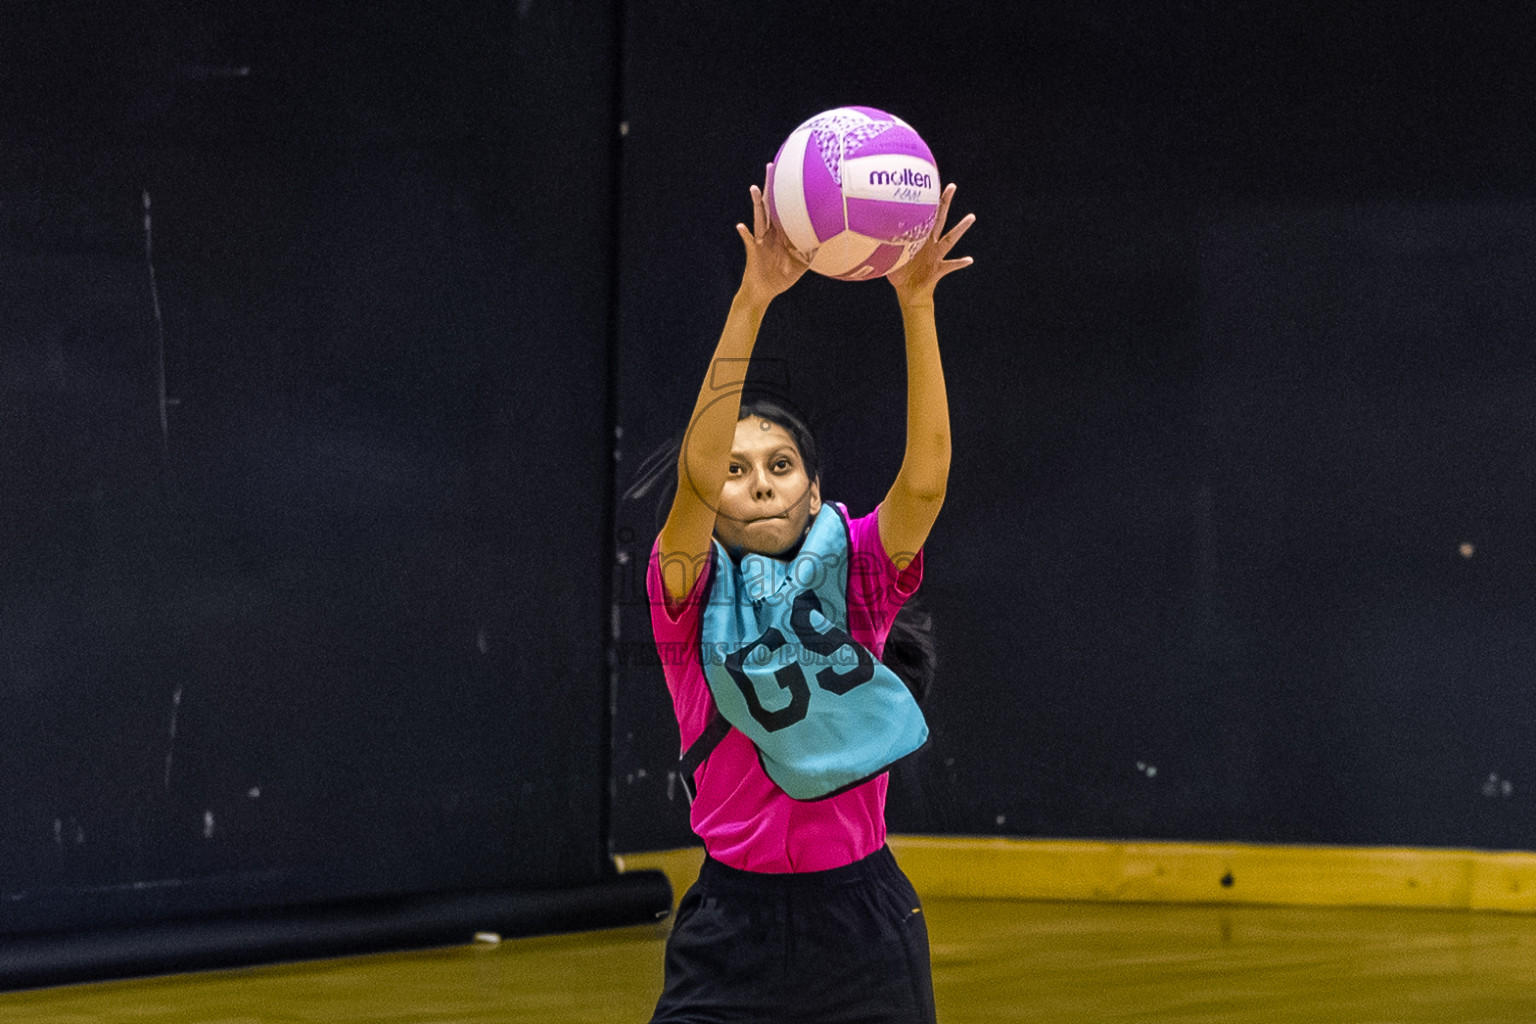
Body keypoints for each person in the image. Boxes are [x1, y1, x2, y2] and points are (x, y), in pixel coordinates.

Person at [645, 165, 974, 1024]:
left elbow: (927, 484)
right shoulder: (684, 596)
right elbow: (692, 473)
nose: (755, 483)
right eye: (735, 469)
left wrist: (916, 303)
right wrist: (752, 302)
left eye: (779, 466)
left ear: (817, 492)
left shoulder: (858, 578)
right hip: (730, 926)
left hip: (860, 921)